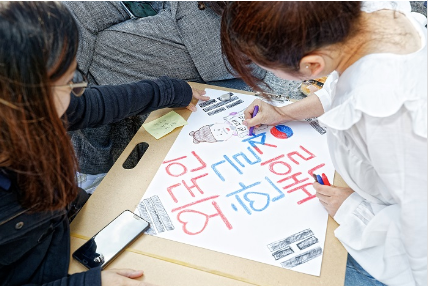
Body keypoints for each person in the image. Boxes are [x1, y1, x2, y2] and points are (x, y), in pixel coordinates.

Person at [0, 2, 208, 285]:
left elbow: (98, 104)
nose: (77, 91)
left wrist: (171, 90)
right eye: (68, 83)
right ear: (21, 96)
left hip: (66, 227)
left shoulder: (36, 111)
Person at [220, 1, 426, 286]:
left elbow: (421, 234)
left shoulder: (389, 119)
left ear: (312, 66)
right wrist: (283, 113)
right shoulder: (362, 23)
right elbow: (343, 85)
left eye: (270, 69)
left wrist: (355, 211)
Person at [62, 1, 267, 182]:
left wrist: (168, 92)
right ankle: (59, 115)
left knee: (98, 55)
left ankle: (92, 163)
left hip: (211, 19)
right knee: (67, 14)